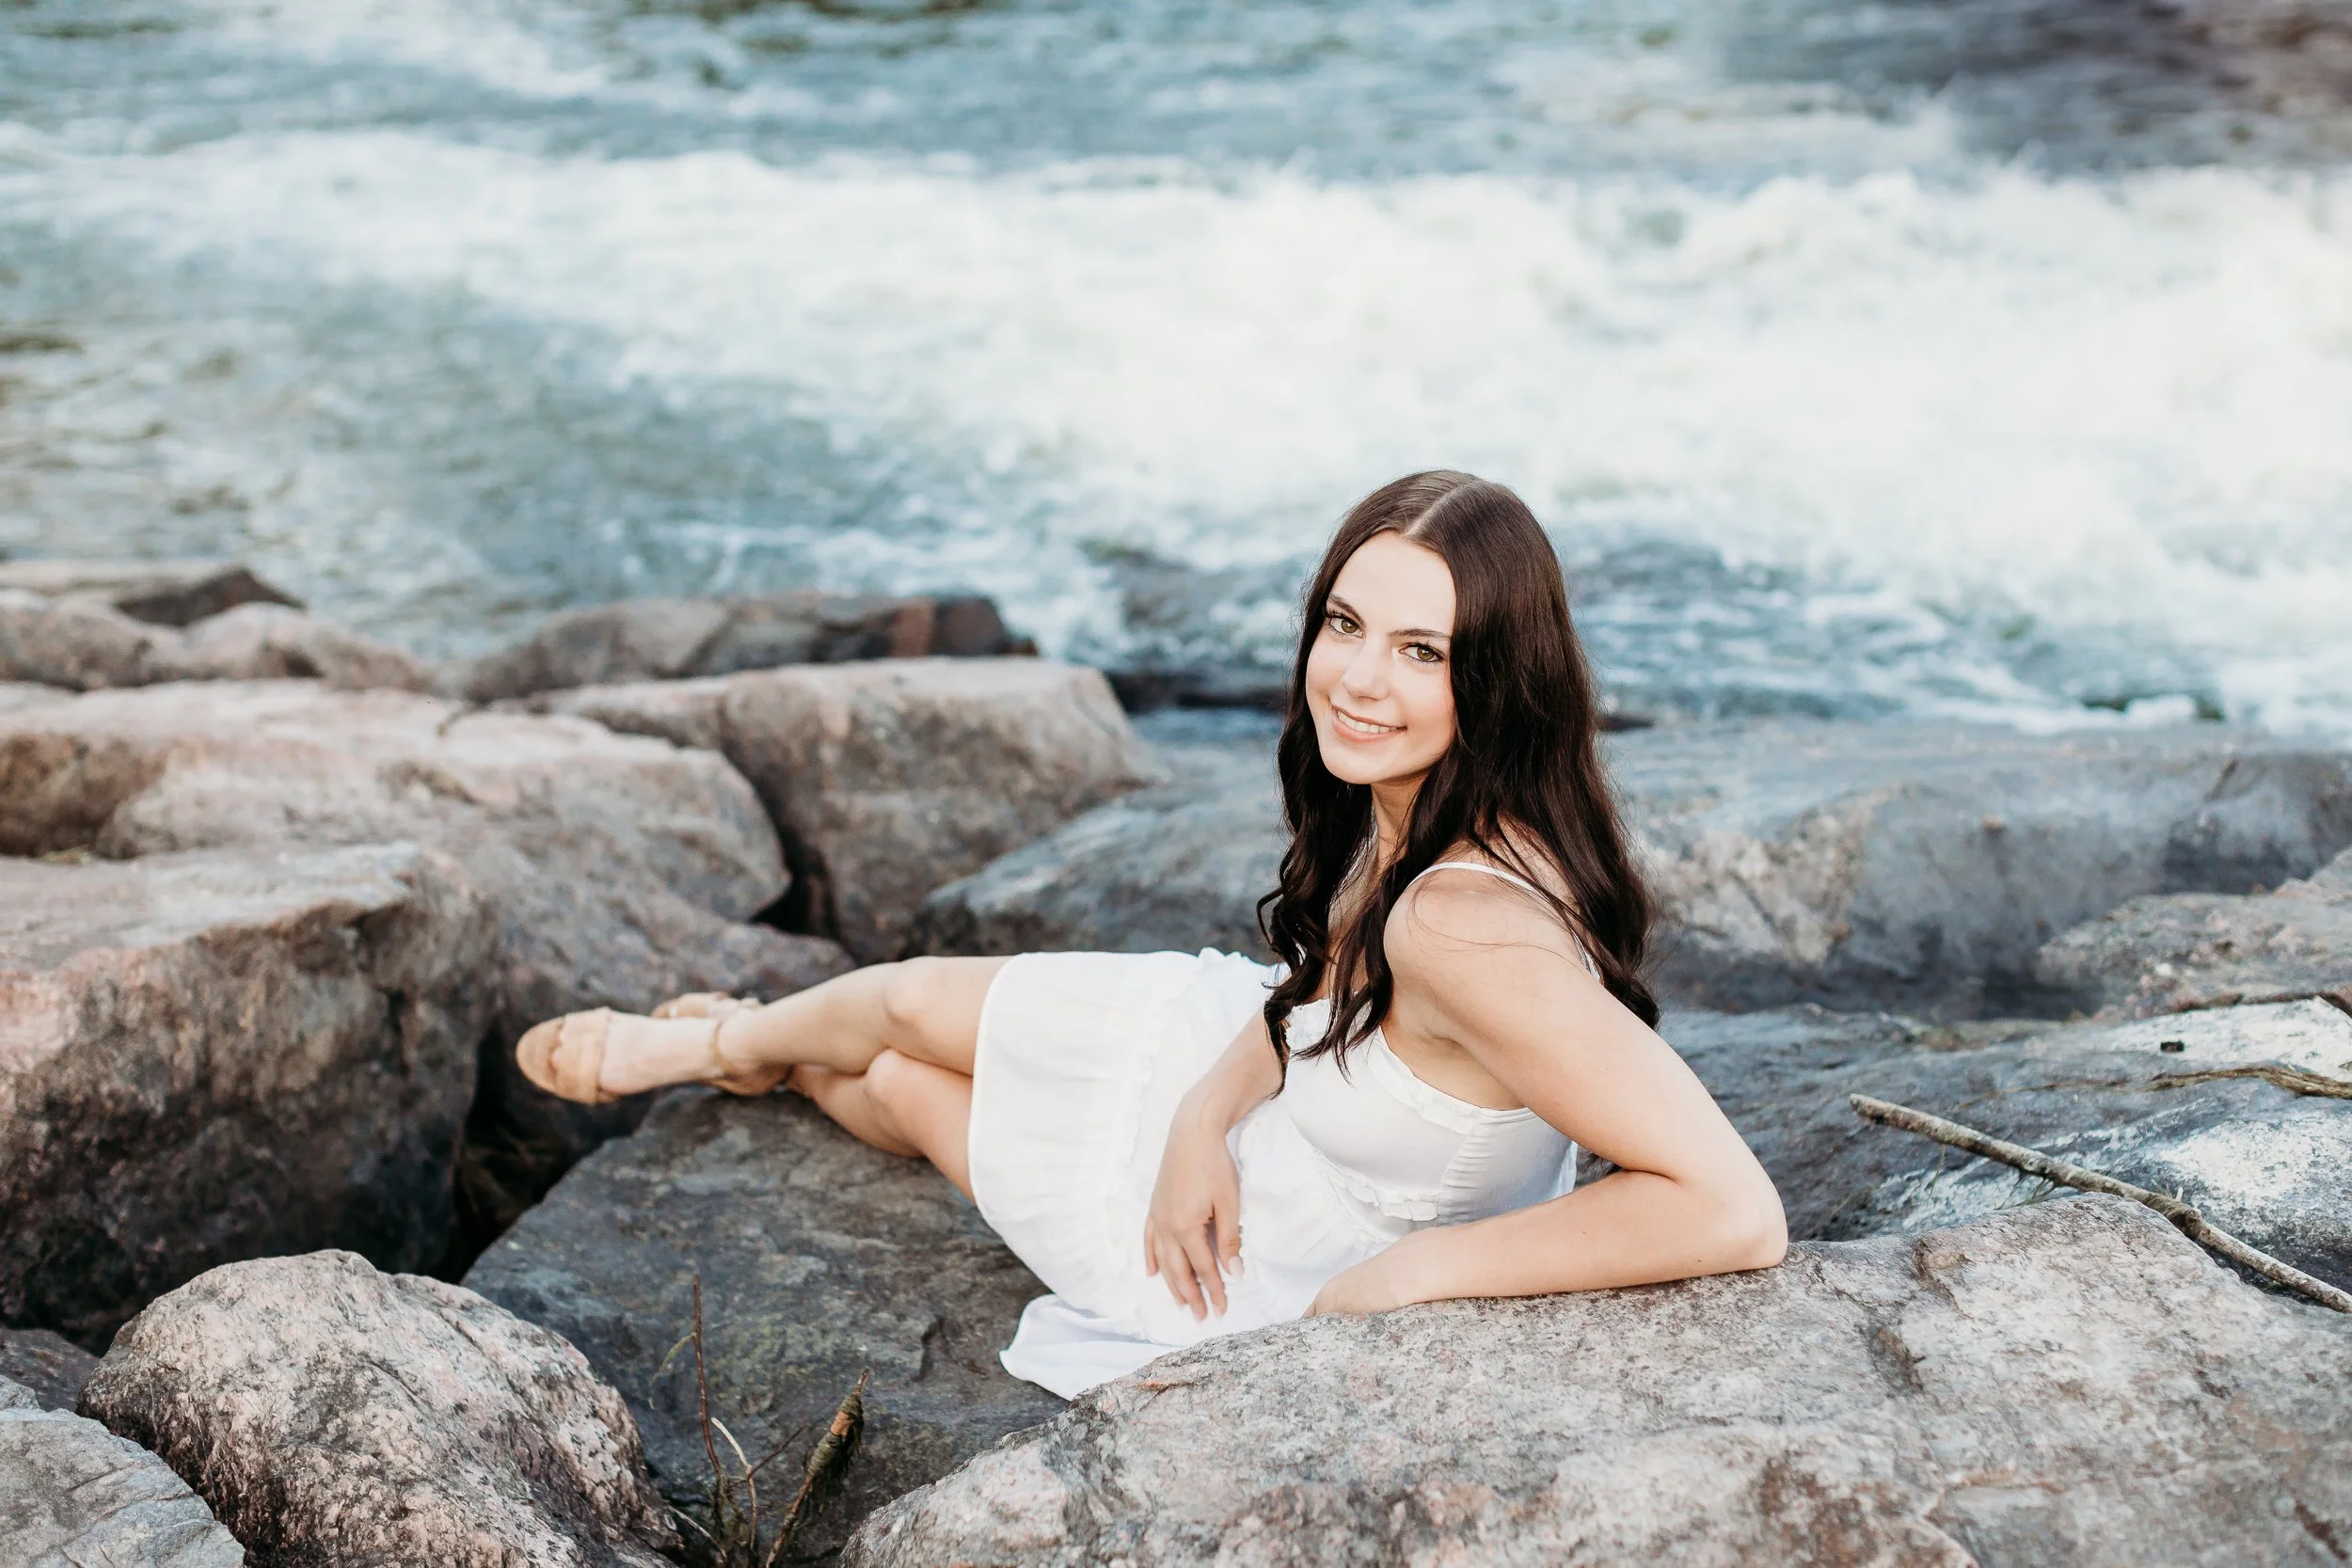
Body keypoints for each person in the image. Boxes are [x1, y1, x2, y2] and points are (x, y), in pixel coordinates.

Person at [516, 470, 1788, 1399]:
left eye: (1418, 649)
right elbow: (1330, 976)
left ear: (1493, 678)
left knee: (898, 1084)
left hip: (1306, 1233)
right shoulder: (1430, 813)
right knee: (902, 1003)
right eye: (1343, 624)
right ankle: (723, 1044)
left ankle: (781, 1060)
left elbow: (1734, 1208)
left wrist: (1413, 1279)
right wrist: (1197, 1119)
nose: (1354, 677)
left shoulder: (1470, 918)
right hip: (1270, 1087)